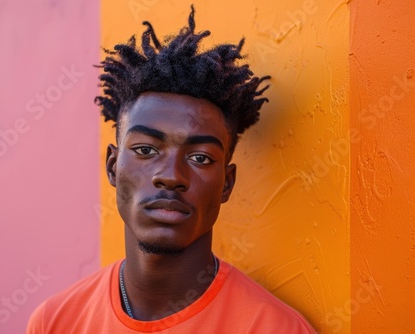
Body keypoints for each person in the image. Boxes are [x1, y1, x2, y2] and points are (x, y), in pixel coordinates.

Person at [26, 5, 316, 333]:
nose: (171, 176)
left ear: (226, 184)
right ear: (112, 167)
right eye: (146, 150)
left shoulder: (273, 328)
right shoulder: (56, 322)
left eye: (201, 158)